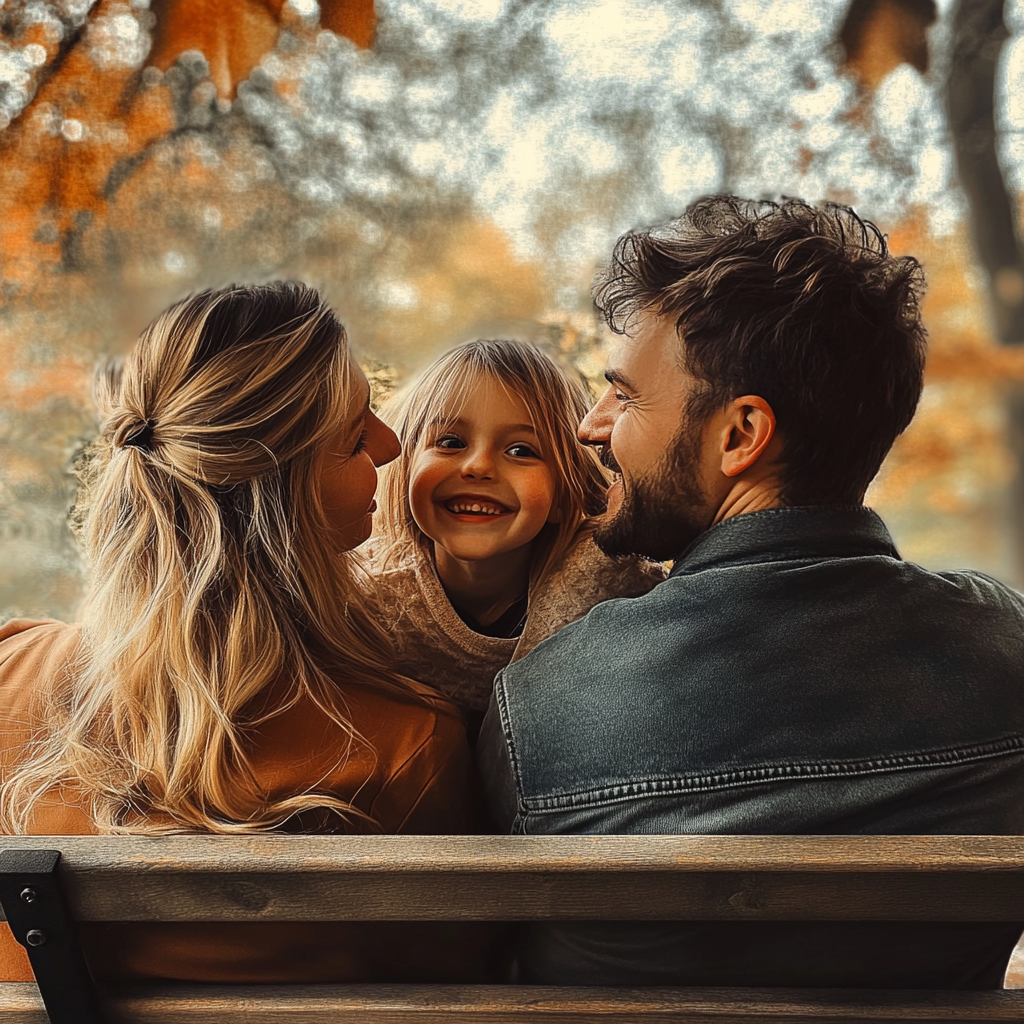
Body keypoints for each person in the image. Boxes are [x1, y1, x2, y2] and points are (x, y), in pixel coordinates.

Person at [477, 196, 1024, 988]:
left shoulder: (538, 704)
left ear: (740, 435)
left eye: (625, 395)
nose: (592, 427)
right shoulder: (1008, 649)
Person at [0, 282, 488, 984]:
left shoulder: (10, 667)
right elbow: (457, 985)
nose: (388, 446)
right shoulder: (403, 745)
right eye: (353, 436)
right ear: (282, 500)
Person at [370, 339, 663, 733]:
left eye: (521, 450)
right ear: (406, 471)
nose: (477, 466)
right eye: (451, 442)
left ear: (565, 493)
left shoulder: (611, 583)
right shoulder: (367, 605)